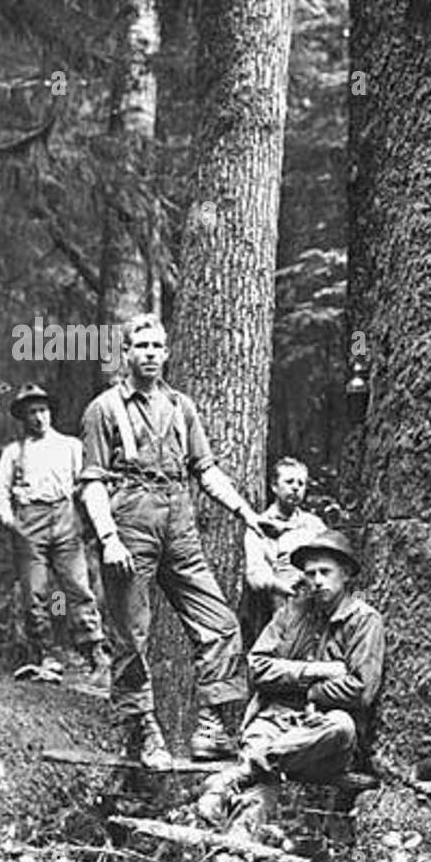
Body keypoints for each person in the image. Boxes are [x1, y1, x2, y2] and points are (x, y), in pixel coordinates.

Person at [78, 314, 265, 770]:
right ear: (125, 353)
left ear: (167, 352)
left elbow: (205, 469)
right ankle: (145, 731)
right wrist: (109, 538)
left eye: (157, 346)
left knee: (219, 622)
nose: (150, 353)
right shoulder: (104, 408)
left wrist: (245, 512)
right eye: (140, 345)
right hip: (129, 517)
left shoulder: (182, 407)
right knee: (130, 635)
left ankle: (210, 728)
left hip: (179, 518)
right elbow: (91, 483)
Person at [196, 529, 385, 836]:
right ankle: (229, 861)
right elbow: (256, 667)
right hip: (274, 722)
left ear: (346, 574)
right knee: (261, 791)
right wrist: (313, 672)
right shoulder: (293, 612)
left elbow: (362, 689)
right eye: (310, 574)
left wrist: (311, 692)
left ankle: (241, 772)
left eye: (326, 572)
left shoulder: (364, 620)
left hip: (319, 737)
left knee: (342, 726)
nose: (317, 581)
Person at [0, 383, 108, 683]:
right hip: (30, 523)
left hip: (66, 519)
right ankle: (46, 655)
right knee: (36, 594)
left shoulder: (70, 446)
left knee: (78, 588)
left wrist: (89, 517)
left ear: (50, 411)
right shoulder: (14, 453)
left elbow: (87, 484)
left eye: (42, 410)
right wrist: (12, 523)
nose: (38, 417)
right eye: (31, 412)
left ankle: (93, 654)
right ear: (23, 417)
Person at [240, 456, 325, 648]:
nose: (295, 488)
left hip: (316, 604)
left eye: (301, 483)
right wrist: (283, 586)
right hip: (276, 609)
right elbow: (255, 576)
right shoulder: (259, 527)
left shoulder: (314, 526)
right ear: (274, 486)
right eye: (289, 482)